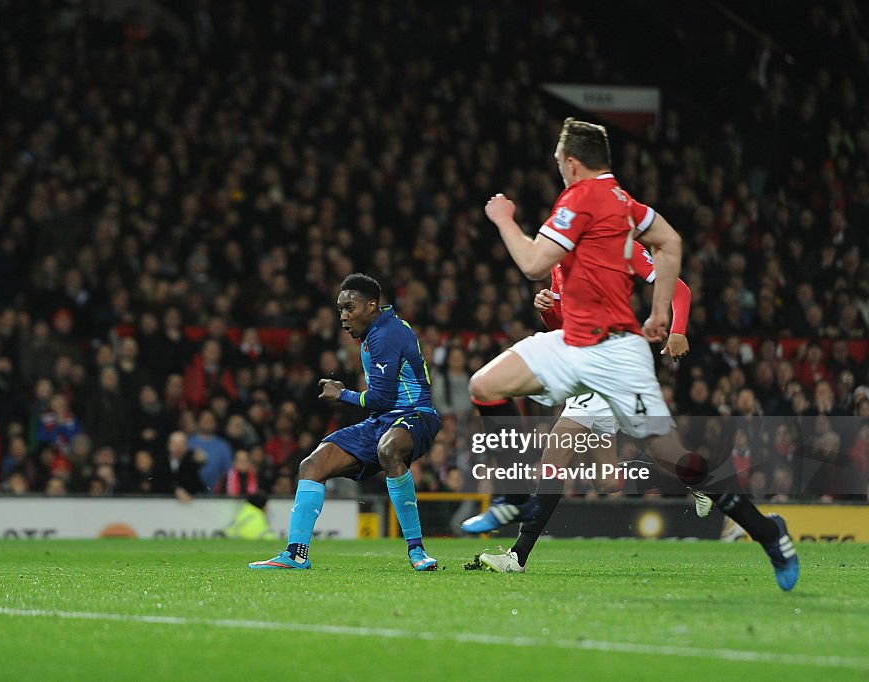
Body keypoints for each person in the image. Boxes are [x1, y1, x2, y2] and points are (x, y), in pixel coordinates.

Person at [470, 119, 797, 590]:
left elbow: (530, 263)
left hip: (612, 355)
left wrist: (503, 218)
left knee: (653, 457)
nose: (559, 171)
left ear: (572, 163)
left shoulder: (580, 201)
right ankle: (517, 510)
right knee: (488, 387)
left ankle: (766, 530)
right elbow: (671, 242)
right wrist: (558, 313)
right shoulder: (624, 207)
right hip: (576, 347)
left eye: (560, 163)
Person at [461, 239, 712, 534]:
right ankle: (689, 476)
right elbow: (562, 326)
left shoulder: (619, 244)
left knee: (556, 449)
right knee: (605, 480)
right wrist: (546, 309)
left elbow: (679, 288)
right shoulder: (558, 261)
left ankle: (517, 554)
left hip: (611, 363)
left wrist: (678, 331)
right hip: (582, 367)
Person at [250, 274, 441, 570]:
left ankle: (417, 551)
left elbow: (382, 398)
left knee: (389, 450)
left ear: (371, 306)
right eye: (340, 309)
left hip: (416, 415)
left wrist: (342, 394)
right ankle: (295, 554)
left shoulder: (386, 333)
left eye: (349, 308)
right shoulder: (375, 332)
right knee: (312, 465)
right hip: (381, 422)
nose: (343, 316)